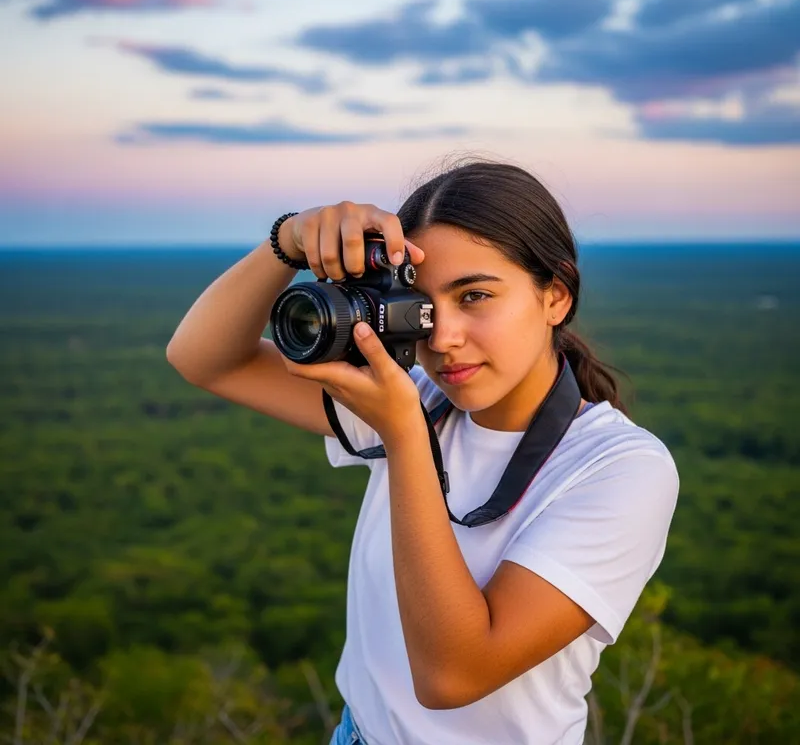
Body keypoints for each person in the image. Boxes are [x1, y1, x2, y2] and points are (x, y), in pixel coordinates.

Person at [166, 158, 680, 745]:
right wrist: (288, 241)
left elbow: (452, 675)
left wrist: (405, 435)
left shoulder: (620, 468)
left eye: (475, 296)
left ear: (555, 297)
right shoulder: (420, 399)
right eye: (421, 306)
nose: (441, 338)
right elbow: (204, 358)